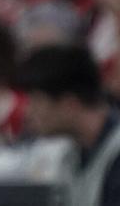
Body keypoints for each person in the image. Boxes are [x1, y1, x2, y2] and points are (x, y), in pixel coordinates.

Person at [17, 45, 120, 206]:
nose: (29, 113)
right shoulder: (72, 153)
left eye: (36, 101)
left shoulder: (115, 154)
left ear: (69, 105)